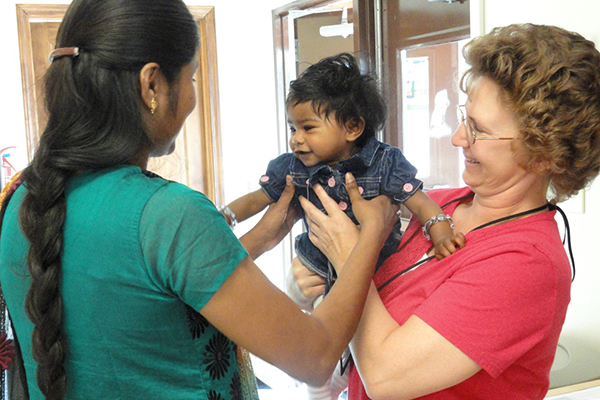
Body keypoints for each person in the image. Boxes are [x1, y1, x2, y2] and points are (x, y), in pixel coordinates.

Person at [0, 1, 401, 399]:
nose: (191, 97)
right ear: (152, 84)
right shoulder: (168, 214)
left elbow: (145, 290)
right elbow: (314, 359)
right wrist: (371, 233)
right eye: (191, 78)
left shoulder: (21, 199)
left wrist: (260, 238)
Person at [292, 23, 600, 399]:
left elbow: (386, 378)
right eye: (463, 117)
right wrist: (305, 281)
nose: (457, 138)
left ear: (544, 153)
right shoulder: (441, 203)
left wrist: (348, 254)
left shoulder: (526, 264)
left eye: (478, 129)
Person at [225, 53, 465, 291]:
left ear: (352, 128)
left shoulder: (385, 163)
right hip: (317, 273)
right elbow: (257, 199)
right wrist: (224, 217)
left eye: (308, 128)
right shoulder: (292, 166)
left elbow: (421, 203)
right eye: (292, 128)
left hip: (377, 272)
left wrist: (442, 234)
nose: (295, 139)